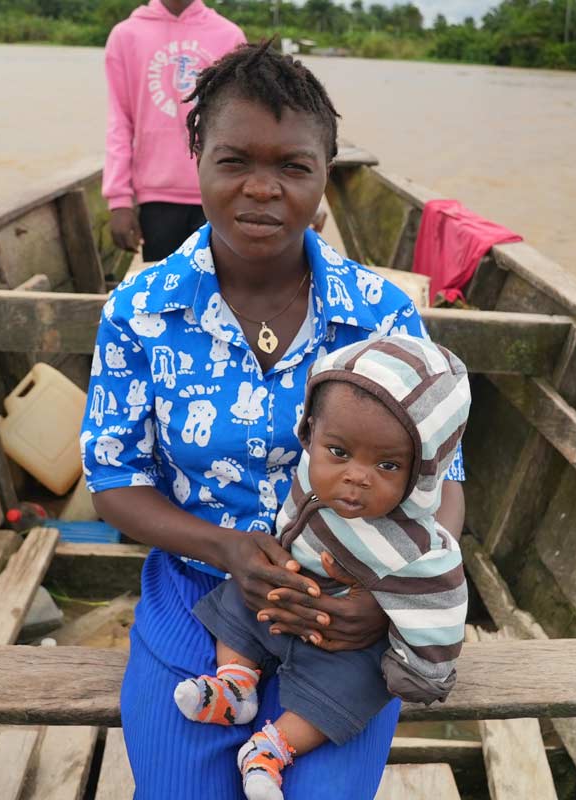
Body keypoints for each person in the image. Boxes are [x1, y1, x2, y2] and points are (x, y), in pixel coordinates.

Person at [80, 41, 466, 799]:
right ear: (197, 161)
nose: (262, 189)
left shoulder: (382, 314)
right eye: (234, 162)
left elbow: (444, 477)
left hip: (349, 610)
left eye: (293, 166)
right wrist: (227, 548)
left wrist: (386, 597)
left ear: (325, 180)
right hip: (200, 596)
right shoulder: (139, 311)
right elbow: (115, 481)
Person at [174, 336, 471, 800]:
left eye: (388, 464)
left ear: (422, 469)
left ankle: (271, 747)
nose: (356, 476)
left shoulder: (418, 547)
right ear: (310, 433)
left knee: (354, 688)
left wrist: (421, 671)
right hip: (286, 592)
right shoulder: (312, 477)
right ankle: (235, 685)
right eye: (339, 453)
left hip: (345, 639)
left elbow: (441, 610)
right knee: (237, 603)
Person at [102, 0, 246, 262]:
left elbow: (243, 125)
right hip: (157, 198)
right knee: (167, 299)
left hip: (218, 192)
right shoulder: (126, 36)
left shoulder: (229, 36)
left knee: (221, 293)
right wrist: (119, 201)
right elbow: (120, 123)